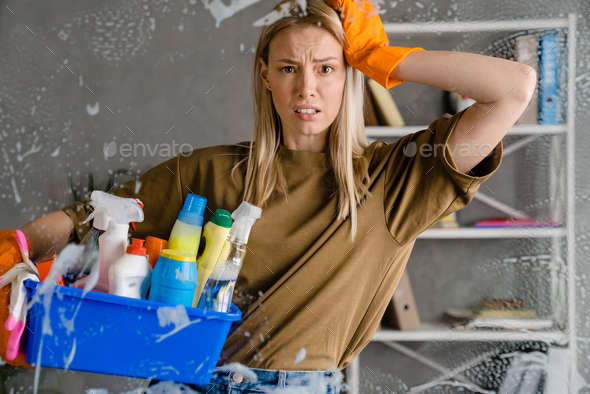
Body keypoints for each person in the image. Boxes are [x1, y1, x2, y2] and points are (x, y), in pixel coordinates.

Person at [4, 0, 537, 392]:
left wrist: (382, 55)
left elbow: (514, 86)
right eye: (289, 69)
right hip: (187, 382)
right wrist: (15, 249)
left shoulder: (398, 180)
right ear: (266, 77)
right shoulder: (211, 170)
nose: (308, 88)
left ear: (349, 75)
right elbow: (82, 220)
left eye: (327, 68)